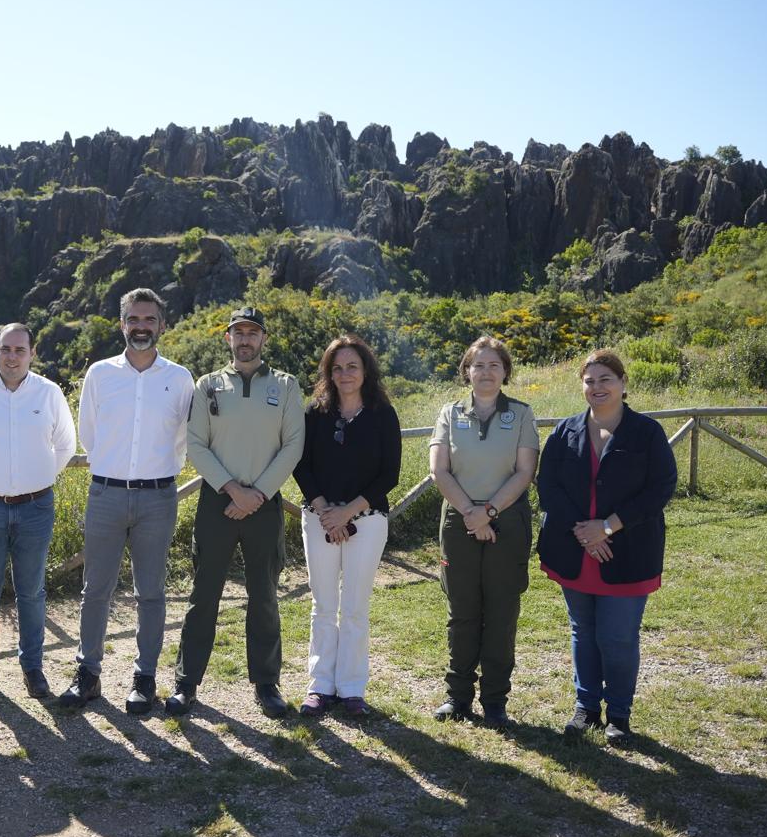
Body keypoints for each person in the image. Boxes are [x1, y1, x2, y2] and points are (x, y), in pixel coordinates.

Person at [58, 289, 194, 714]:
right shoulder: (100, 374)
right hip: (106, 493)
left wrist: (155, 470)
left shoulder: (181, 377)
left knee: (150, 592)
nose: (141, 326)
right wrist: (116, 470)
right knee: (95, 589)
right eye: (133, 319)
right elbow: (89, 433)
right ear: (122, 324)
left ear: (162, 325)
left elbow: (184, 438)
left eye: (149, 319)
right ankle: (88, 675)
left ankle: (144, 678)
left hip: (158, 497)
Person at [168, 306, 305, 719]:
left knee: (264, 595)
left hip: (265, 503)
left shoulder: (286, 385)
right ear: (227, 338)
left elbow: (293, 445)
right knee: (203, 595)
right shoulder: (207, 385)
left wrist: (258, 493)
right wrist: (231, 489)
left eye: (253, 332)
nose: (245, 339)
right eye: (238, 332)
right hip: (217, 500)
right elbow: (197, 444)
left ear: (264, 339)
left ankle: (267, 684)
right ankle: (186, 683)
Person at [538, 349, 677, 746]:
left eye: (605, 379)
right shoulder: (565, 431)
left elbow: (661, 488)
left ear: (623, 384)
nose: (597, 387)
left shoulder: (646, 433)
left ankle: (618, 714)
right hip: (574, 548)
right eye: (590, 380)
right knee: (583, 630)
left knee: (617, 636)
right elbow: (549, 487)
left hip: (628, 550)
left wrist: (609, 527)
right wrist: (586, 532)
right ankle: (586, 708)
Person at [0, 323, 77, 699]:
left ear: (32, 353)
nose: (12, 356)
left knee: (32, 592)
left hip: (36, 507)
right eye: (6, 349)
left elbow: (65, 445)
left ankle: (33, 668)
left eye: (20, 350)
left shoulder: (49, 393)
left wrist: (36, 479)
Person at [428, 336, 540, 729]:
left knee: (501, 611)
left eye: (494, 365)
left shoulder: (522, 414)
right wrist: (471, 514)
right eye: (479, 365)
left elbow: (525, 472)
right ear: (467, 371)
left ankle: (495, 700)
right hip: (459, 521)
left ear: (505, 371)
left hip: (506, 520)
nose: (486, 372)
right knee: (462, 611)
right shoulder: (449, 413)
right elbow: (439, 471)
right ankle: (457, 697)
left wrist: (488, 512)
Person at [291, 335, 401, 718]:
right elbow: (301, 465)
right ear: (328, 373)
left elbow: (390, 474)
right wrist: (326, 511)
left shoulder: (383, 413)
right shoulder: (314, 413)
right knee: (323, 605)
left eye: (352, 366)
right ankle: (320, 686)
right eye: (337, 368)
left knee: (355, 607)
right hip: (319, 517)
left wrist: (347, 513)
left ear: (366, 370)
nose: (344, 374)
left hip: (367, 522)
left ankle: (352, 688)